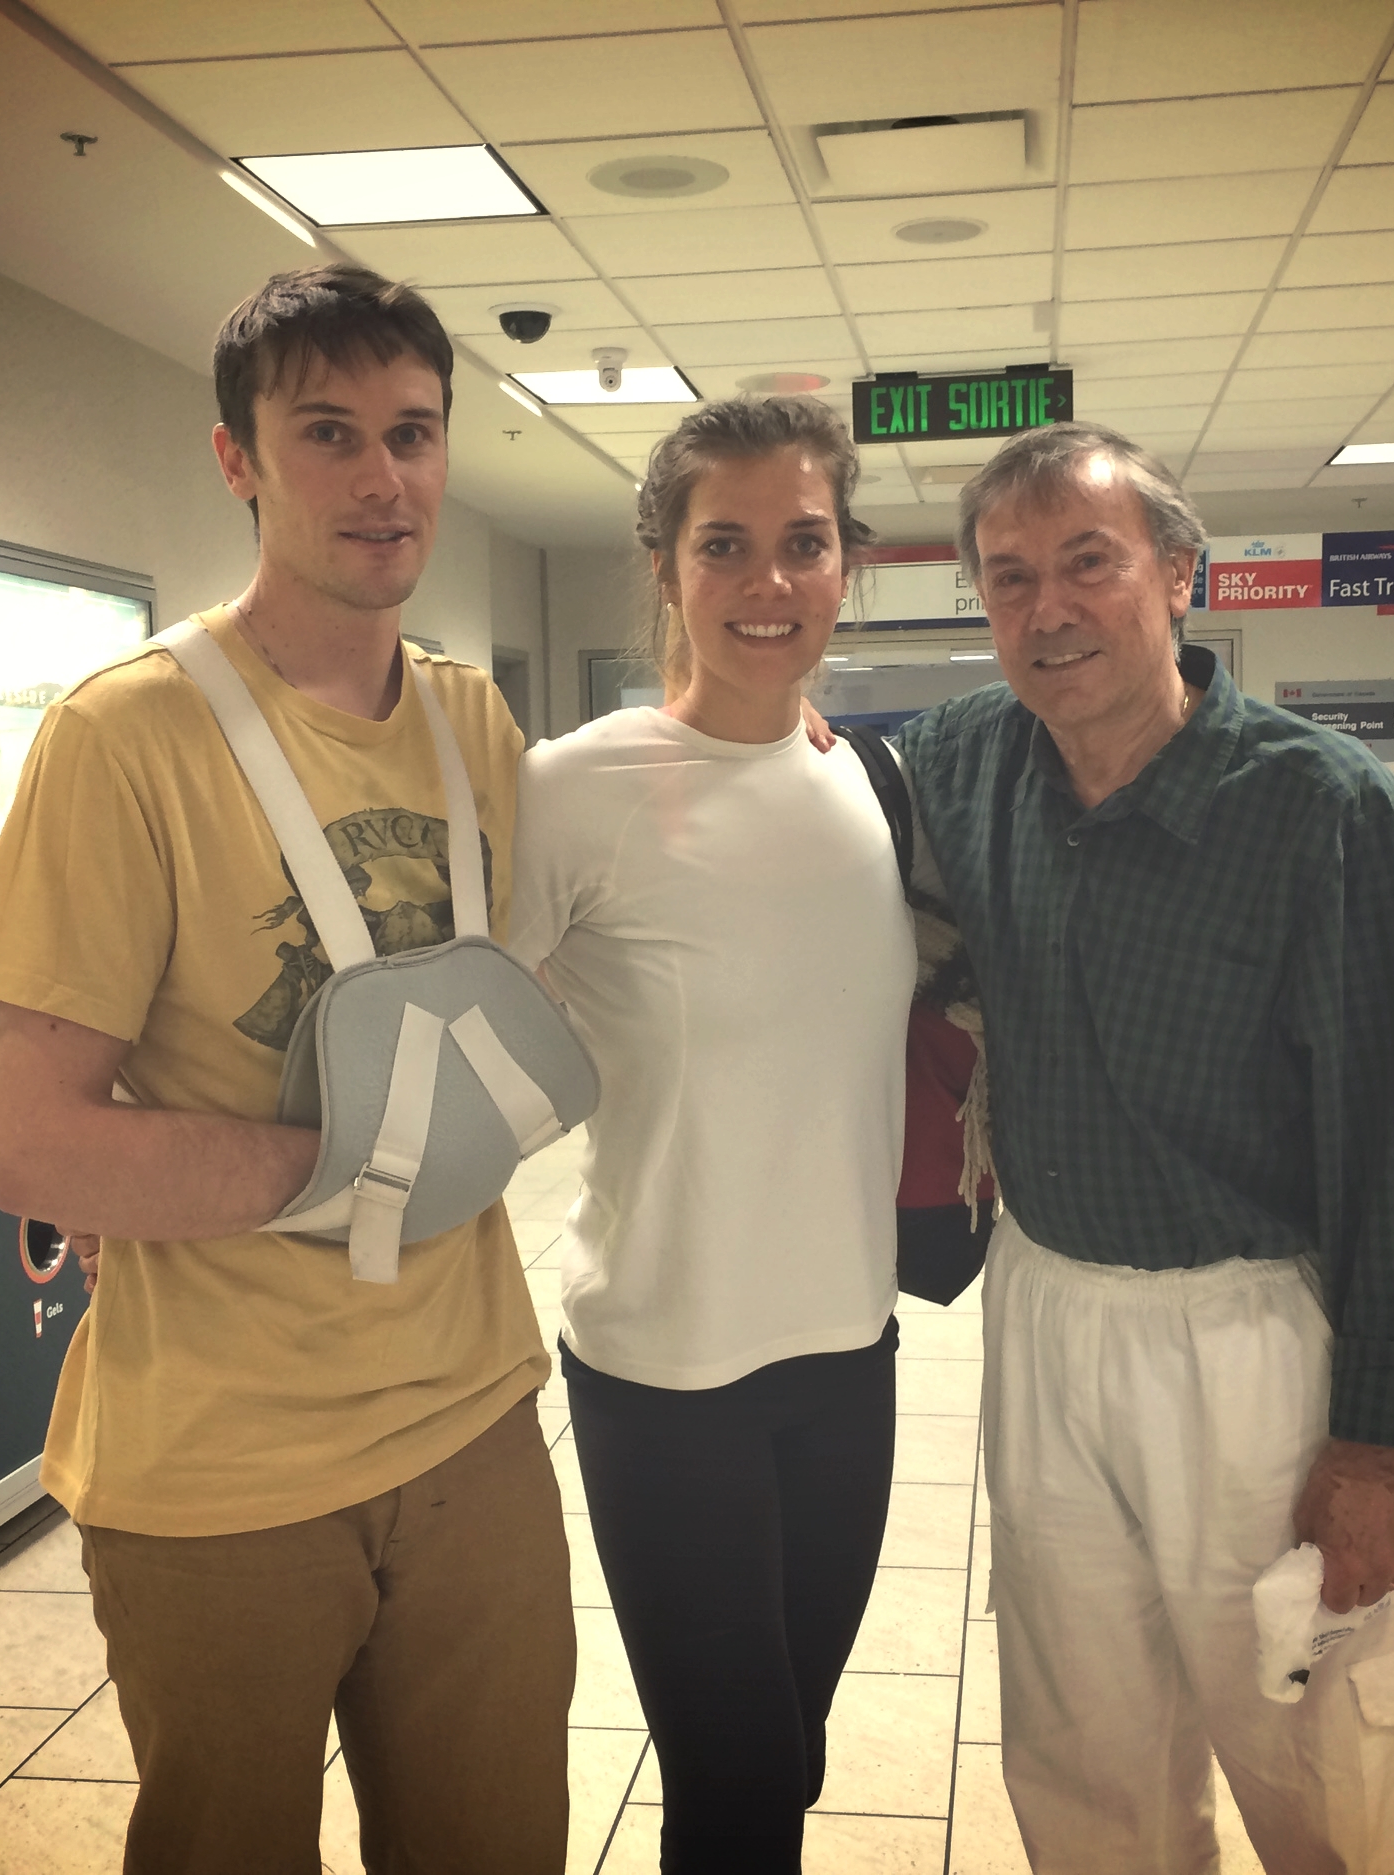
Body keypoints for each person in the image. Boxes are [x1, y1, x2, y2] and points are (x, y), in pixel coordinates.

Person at [0, 264, 571, 1874]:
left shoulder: (475, 725)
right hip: (223, 1472)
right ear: (241, 459)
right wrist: (351, 1164)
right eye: (330, 433)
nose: (383, 478)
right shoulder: (123, 740)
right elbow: (39, 1150)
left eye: (414, 434)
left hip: (477, 1424)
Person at [897, 423, 1394, 1873]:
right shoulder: (968, 764)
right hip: (1048, 1315)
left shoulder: (1323, 810)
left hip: (1255, 1341)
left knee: (1325, 1749)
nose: (1048, 610)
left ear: (1179, 573)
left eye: (1088, 562)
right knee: (1080, 1745)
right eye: (1008, 578)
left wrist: (1380, 1444)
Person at [507, 397, 914, 1873]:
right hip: (666, 1369)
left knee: (785, 1762)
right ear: (667, 566)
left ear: (846, 564)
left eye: (804, 542)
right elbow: (448, 1026)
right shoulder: (575, 785)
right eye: (725, 544)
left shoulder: (861, 781)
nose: (770, 581)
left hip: (847, 1357)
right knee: (731, 1786)